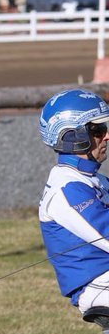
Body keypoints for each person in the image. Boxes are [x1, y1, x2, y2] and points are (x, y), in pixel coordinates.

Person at [38, 90, 109, 315]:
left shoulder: (93, 179)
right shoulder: (67, 188)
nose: (107, 136)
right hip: (98, 286)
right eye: (98, 130)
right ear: (71, 136)